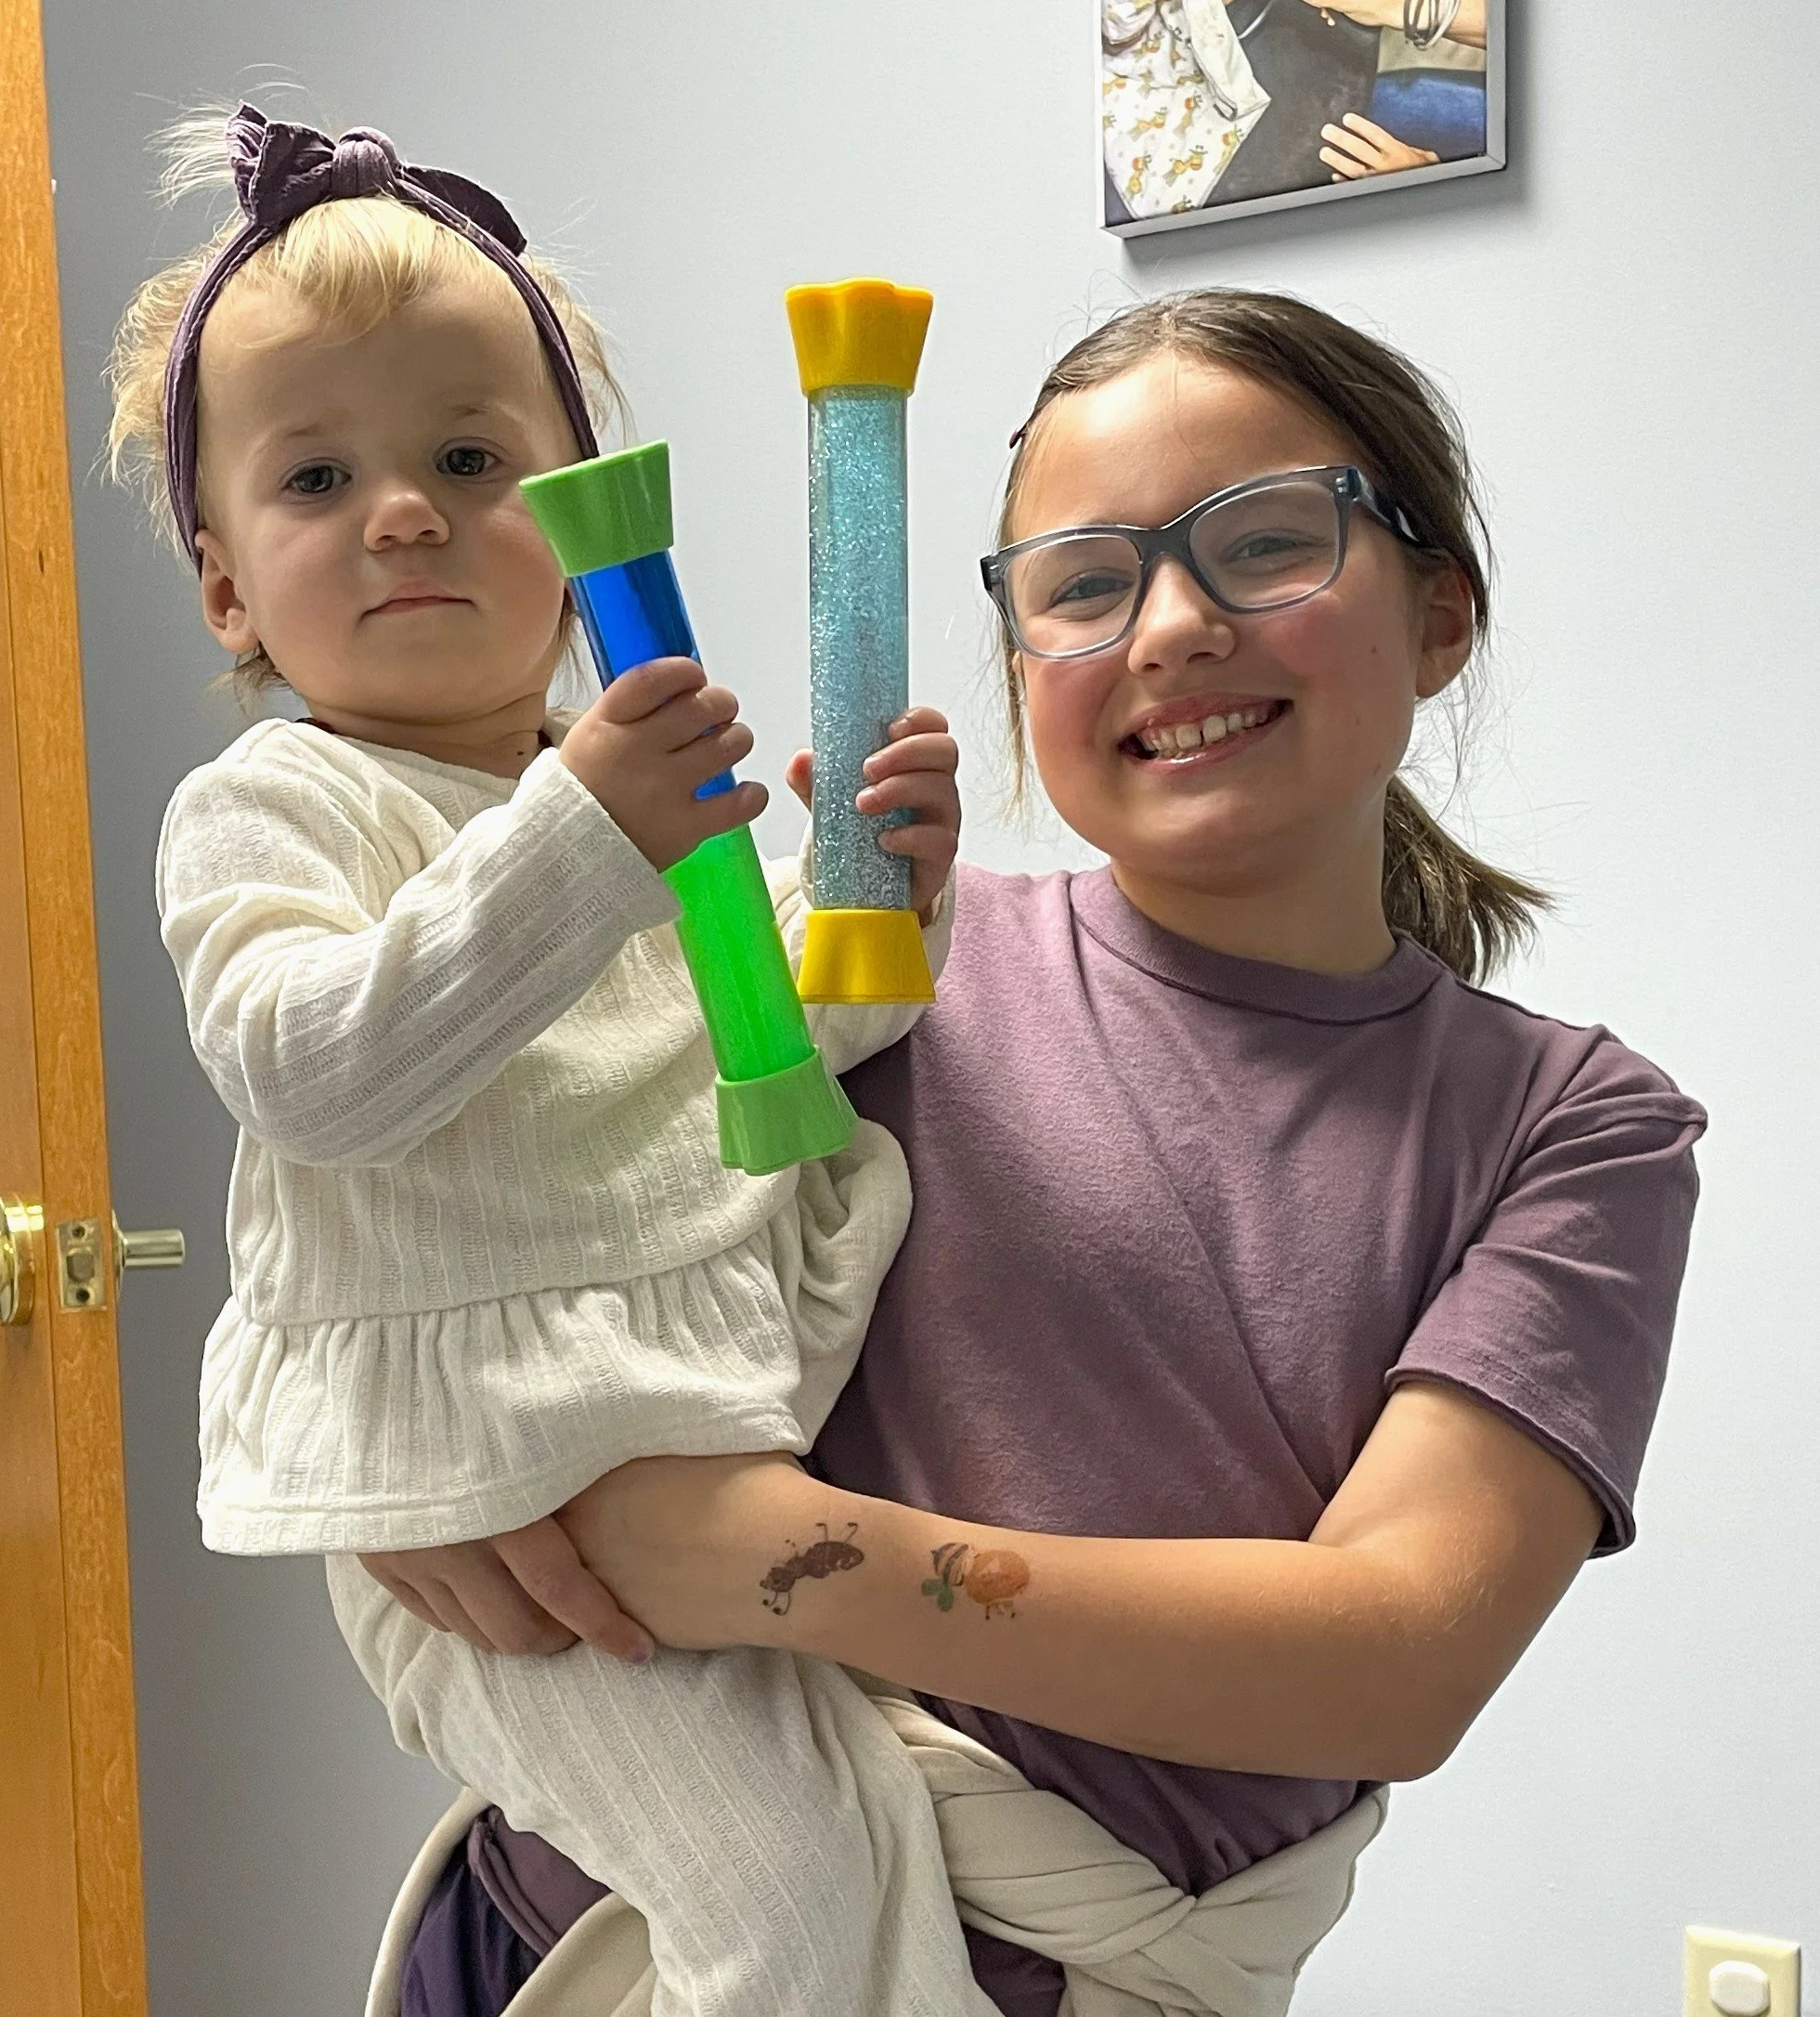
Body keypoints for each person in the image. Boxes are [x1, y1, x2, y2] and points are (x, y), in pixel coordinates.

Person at [387, 290, 1708, 2017]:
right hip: (582, 1937)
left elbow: (1394, 1659)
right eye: (1083, 585)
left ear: (1438, 612)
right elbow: (434, 1238)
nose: (1173, 628)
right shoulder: (864, 973)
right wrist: (398, 1474)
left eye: (1266, 542)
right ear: (1020, 668)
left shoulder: (1570, 1129)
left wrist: (778, 1555)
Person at [110, 102, 997, 2017]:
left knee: (860, 1852)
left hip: (688, 1429)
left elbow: (776, 1041)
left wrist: (886, 895)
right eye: (317, 476)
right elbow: (310, 1073)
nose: (404, 512)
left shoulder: (627, 798)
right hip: (459, 1468)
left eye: (466, 458)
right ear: (226, 586)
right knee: (795, 1896)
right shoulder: (273, 806)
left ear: (583, 518)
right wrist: (586, 833)